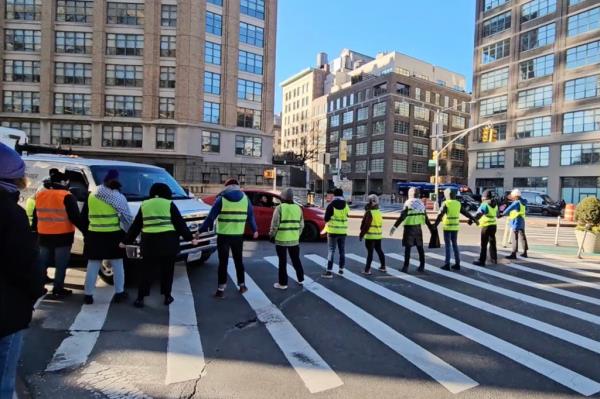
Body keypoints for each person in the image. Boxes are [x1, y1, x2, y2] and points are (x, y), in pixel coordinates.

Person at [0, 143, 45, 399]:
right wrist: (37, 290)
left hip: (50, 236)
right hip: (6, 312)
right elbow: (24, 265)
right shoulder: (9, 213)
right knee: (4, 384)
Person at [124, 183, 197, 308]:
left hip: (149, 245)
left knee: (146, 272)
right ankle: (167, 296)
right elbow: (180, 225)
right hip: (168, 244)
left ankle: (140, 298)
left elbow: (136, 226)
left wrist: (125, 241)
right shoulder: (169, 204)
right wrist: (190, 239)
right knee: (167, 272)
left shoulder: (145, 205)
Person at [81, 169, 133, 305]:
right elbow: (127, 218)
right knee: (118, 265)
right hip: (113, 235)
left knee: (92, 265)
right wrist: (129, 235)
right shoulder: (118, 197)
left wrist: (86, 233)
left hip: (94, 235)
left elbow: (84, 216)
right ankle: (119, 293)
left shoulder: (92, 195)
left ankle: (88, 295)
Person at [199, 179, 258, 299]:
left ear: (227, 186)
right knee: (238, 261)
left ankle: (220, 290)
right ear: (237, 186)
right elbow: (251, 217)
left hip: (223, 236)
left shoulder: (221, 199)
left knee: (223, 263)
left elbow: (210, 218)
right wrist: (255, 230)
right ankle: (242, 286)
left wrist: (200, 231)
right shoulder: (245, 199)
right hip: (237, 236)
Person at [32, 169, 84, 298]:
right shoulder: (67, 196)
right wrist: (86, 231)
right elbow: (75, 217)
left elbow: (36, 215)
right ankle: (57, 289)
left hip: (44, 235)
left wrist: (34, 231)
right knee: (61, 264)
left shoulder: (40, 195)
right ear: (64, 182)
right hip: (63, 236)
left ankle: (39, 287)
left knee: (42, 263)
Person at [390, 187, 433, 273]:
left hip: (409, 228)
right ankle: (422, 266)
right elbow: (426, 218)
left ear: (410, 194)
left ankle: (405, 267)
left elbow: (402, 216)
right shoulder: (421, 204)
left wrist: (394, 227)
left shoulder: (408, 203)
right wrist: (431, 229)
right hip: (418, 228)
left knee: (408, 249)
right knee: (420, 248)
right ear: (418, 194)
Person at [433, 188, 476, 270]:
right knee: (455, 245)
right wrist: (474, 219)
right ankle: (457, 264)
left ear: (446, 195)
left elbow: (440, 215)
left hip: (447, 226)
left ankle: (447, 264)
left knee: (448, 246)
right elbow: (466, 213)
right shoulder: (458, 203)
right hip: (455, 227)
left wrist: (435, 225)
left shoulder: (446, 203)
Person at [270, 188, 304, 289]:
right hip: (294, 240)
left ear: (282, 198)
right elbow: (301, 225)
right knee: (296, 259)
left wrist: (272, 235)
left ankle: (283, 283)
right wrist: (296, 235)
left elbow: (275, 225)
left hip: (281, 240)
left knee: (282, 262)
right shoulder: (298, 208)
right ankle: (300, 279)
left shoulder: (279, 208)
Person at [322, 188, 349, 278]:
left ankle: (329, 272)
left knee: (331, 250)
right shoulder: (346, 205)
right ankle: (341, 269)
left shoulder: (331, 205)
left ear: (334, 195)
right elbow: (347, 215)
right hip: (343, 232)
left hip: (332, 231)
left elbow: (326, 219)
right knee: (342, 250)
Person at [359, 194, 386, 274]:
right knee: (379, 250)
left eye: (368, 202)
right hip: (378, 235)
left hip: (370, 236)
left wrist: (361, 234)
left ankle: (367, 270)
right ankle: (383, 266)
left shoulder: (369, 212)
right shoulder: (378, 212)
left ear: (370, 202)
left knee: (370, 253)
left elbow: (366, 225)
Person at [472, 190, 500, 266]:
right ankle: (494, 259)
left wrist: (472, 220)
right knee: (492, 242)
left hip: (486, 226)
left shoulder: (484, 204)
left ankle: (482, 260)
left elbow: (479, 214)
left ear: (484, 197)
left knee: (484, 244)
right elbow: (498, 215)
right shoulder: (495, 204)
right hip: (493, 225)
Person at [503, 188, 528, 259]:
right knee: (522, 236)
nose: (512, 197)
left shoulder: (516, 202)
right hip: (522, 221)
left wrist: (502, 214)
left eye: (513, 196)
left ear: (516, 196)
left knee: (514, 237)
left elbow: (508, 209)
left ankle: (513, 253)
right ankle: (525, 252)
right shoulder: (523, 202)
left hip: (516, 221)